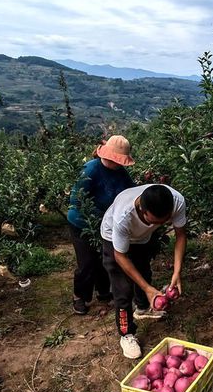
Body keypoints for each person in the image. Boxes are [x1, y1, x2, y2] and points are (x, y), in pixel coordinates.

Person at [100, 184, 187, 359]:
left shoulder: (176, 201)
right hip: (113, 238)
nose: (161, 225)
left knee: (143, 272)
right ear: (142, 210)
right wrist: (148, 289)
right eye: (156, 222)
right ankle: (126, 334)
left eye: (165, 221)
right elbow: (121, 257)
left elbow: (181, 236)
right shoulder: (122, 217)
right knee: (122, 289)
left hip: (141, 238)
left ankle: (143, 308)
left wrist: (177, 272)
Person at [67, 135, 135, 316]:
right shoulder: (90, 170)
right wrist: (101, 217)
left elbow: (131, 192)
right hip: (82, 223)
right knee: (87, 262)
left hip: (107, 223)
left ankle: (103, 291)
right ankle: (79, 296)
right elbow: (76, 202)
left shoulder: (120, 172)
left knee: (104, 257)